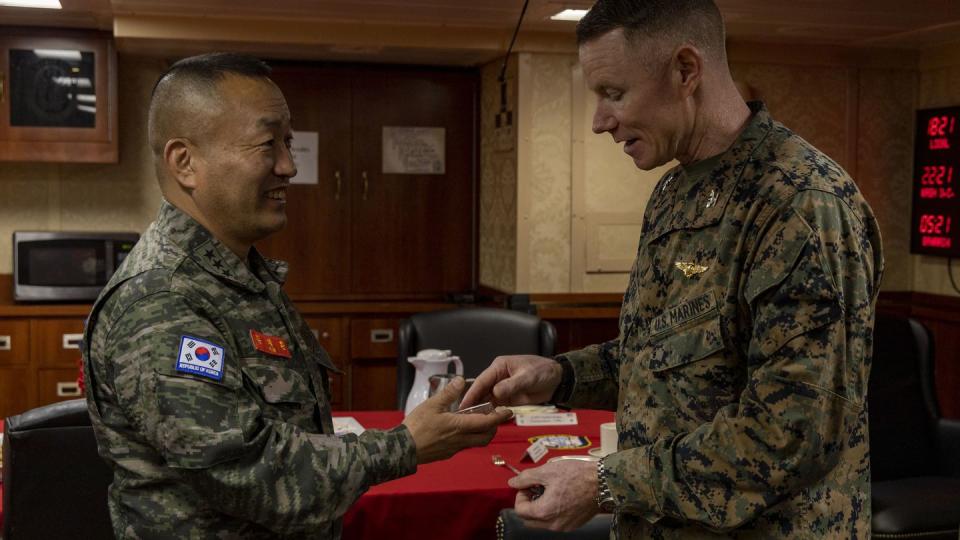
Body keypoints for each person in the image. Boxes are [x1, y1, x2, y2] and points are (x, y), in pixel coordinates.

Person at [461, 0, 883, 537]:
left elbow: (790, 434)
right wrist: (562, 376)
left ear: (686, 71)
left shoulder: (801, 204)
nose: (599, 122)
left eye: (613, 93)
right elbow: (666, 361)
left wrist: (604, 483)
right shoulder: (675, 192)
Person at [81, 52, 512, 539]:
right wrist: (405, 444)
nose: (288, 166)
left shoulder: (237, 274)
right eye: (268, 145)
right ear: (185, 162)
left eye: (288, 142)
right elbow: (247, 471)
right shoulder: (160, 298)